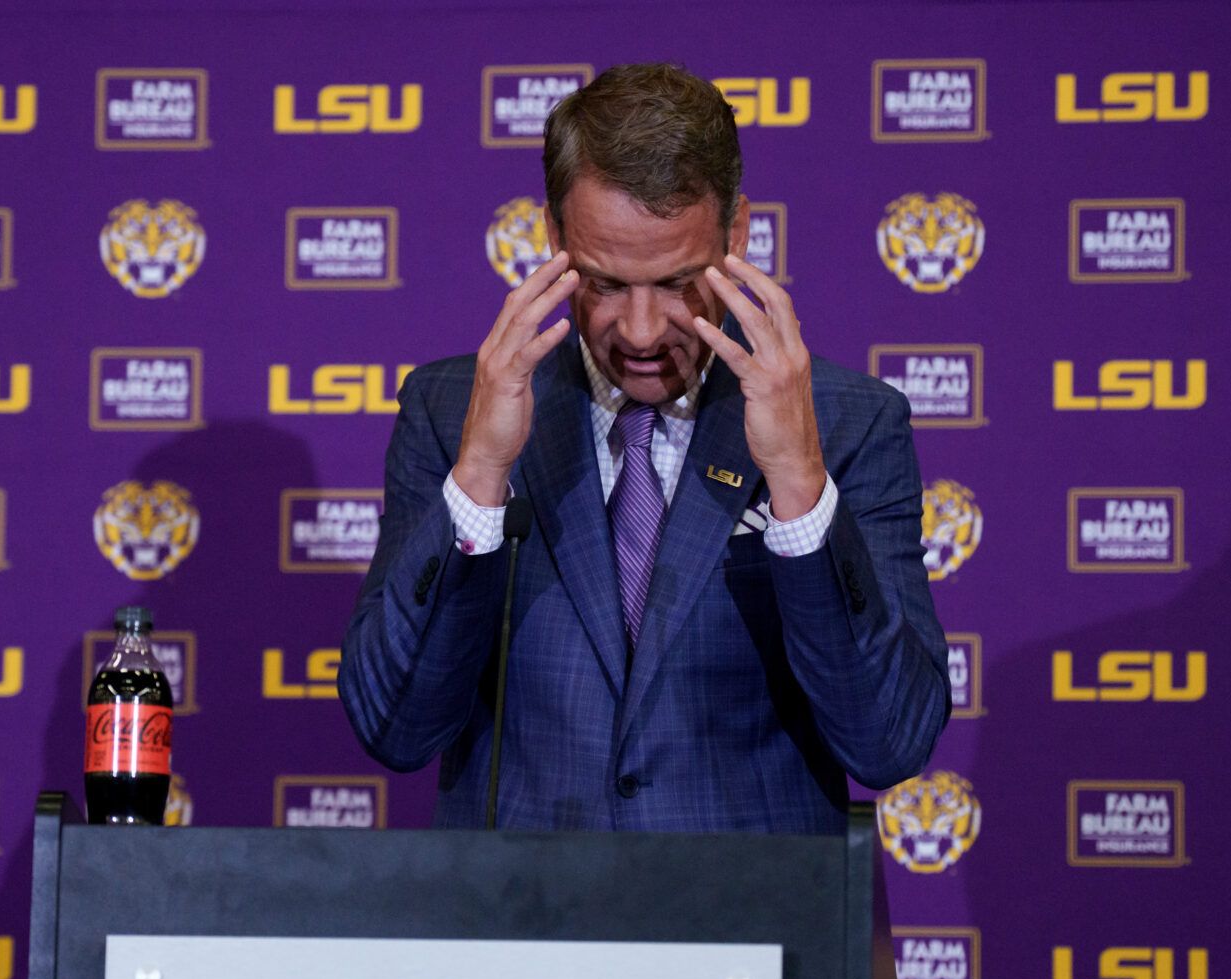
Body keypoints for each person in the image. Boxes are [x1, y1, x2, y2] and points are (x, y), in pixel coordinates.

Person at [340, 62, 949, 833]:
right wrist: (481, 476)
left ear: (737, 232)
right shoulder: (451, 411)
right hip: (522, 930)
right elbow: (396, 728)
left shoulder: (851, 424)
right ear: (554, 235)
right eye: (603, 282)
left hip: (750, 934)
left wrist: (798, 482)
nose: (640, 331)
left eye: (676, 281)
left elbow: (889, 742)